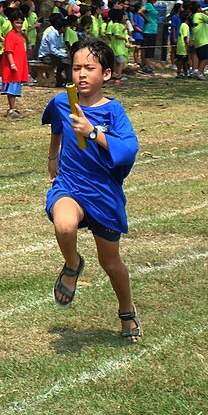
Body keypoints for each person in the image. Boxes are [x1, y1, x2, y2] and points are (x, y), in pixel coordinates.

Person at [43, 38, 141, 342]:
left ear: (107, 74)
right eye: (76, 68)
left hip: (104, 192)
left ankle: (127, 310)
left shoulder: (113, 112)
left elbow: (128, 149)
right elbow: (56, 126)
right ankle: (72, 264)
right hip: (70, 184)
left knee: (111, 263)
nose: (81, 74)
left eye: (89, 68)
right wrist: (53, 155)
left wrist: (93, 132)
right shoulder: (63, 102)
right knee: (64, 224)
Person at [2, 11, 28, 118]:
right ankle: (11, 108)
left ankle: (13, 108)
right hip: (13, 67)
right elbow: (9, 51)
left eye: (21, 23)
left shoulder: (20, 36)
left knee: (16, 87)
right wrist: (12, 64)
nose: (19, 25)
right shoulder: (10, 35)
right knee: (11, 88)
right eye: (17, 22)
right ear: (12, 23)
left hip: (19, 66)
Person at [38, 13, 70, 87]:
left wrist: (65, 52)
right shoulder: (52, 35)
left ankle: (60, 80)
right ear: (62, 27)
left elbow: (59, 48)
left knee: (66, 62)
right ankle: (66, 80)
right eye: (66, 27)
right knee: (65, 62)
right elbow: (53, 50)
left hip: (53, 55)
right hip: (46, 56)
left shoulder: (60, 35)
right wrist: (65, 55)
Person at [105, 9, 128, 85]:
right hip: (118, 48)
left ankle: (115, 76)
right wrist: (124, 38)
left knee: (117, 63)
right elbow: (117, 35)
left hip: (119, 47)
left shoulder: (117, 25)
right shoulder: (117, 25)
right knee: (120, 63)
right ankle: (118, 78)